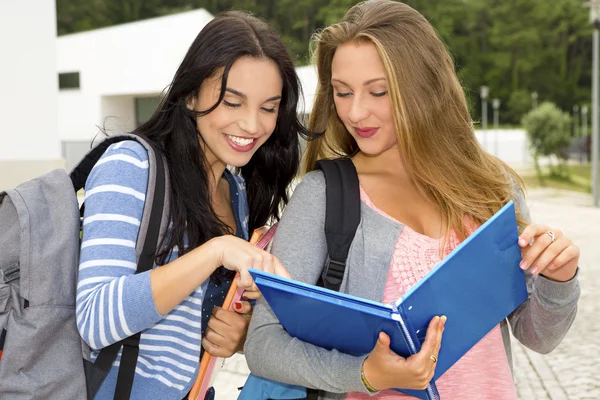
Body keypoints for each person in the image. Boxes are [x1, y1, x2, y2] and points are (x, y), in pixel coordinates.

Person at [244, 1, 581, 399]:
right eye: (342, 92)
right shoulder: (322, 195)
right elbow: (263, 345)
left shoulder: (491, 186)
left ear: (424, 86)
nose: (356, 111)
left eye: (379, 91)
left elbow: (537, 335)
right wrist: (366, 373)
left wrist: (560, 278)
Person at [76, 11, 308, 399]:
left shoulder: (235, 190)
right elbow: (95, 319)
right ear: (189, 94)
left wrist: (239, 334)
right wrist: (216, 251)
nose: (252, 125)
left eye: (268, 108)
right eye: (232, 102)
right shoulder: (131, 165)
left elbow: (190, 327)